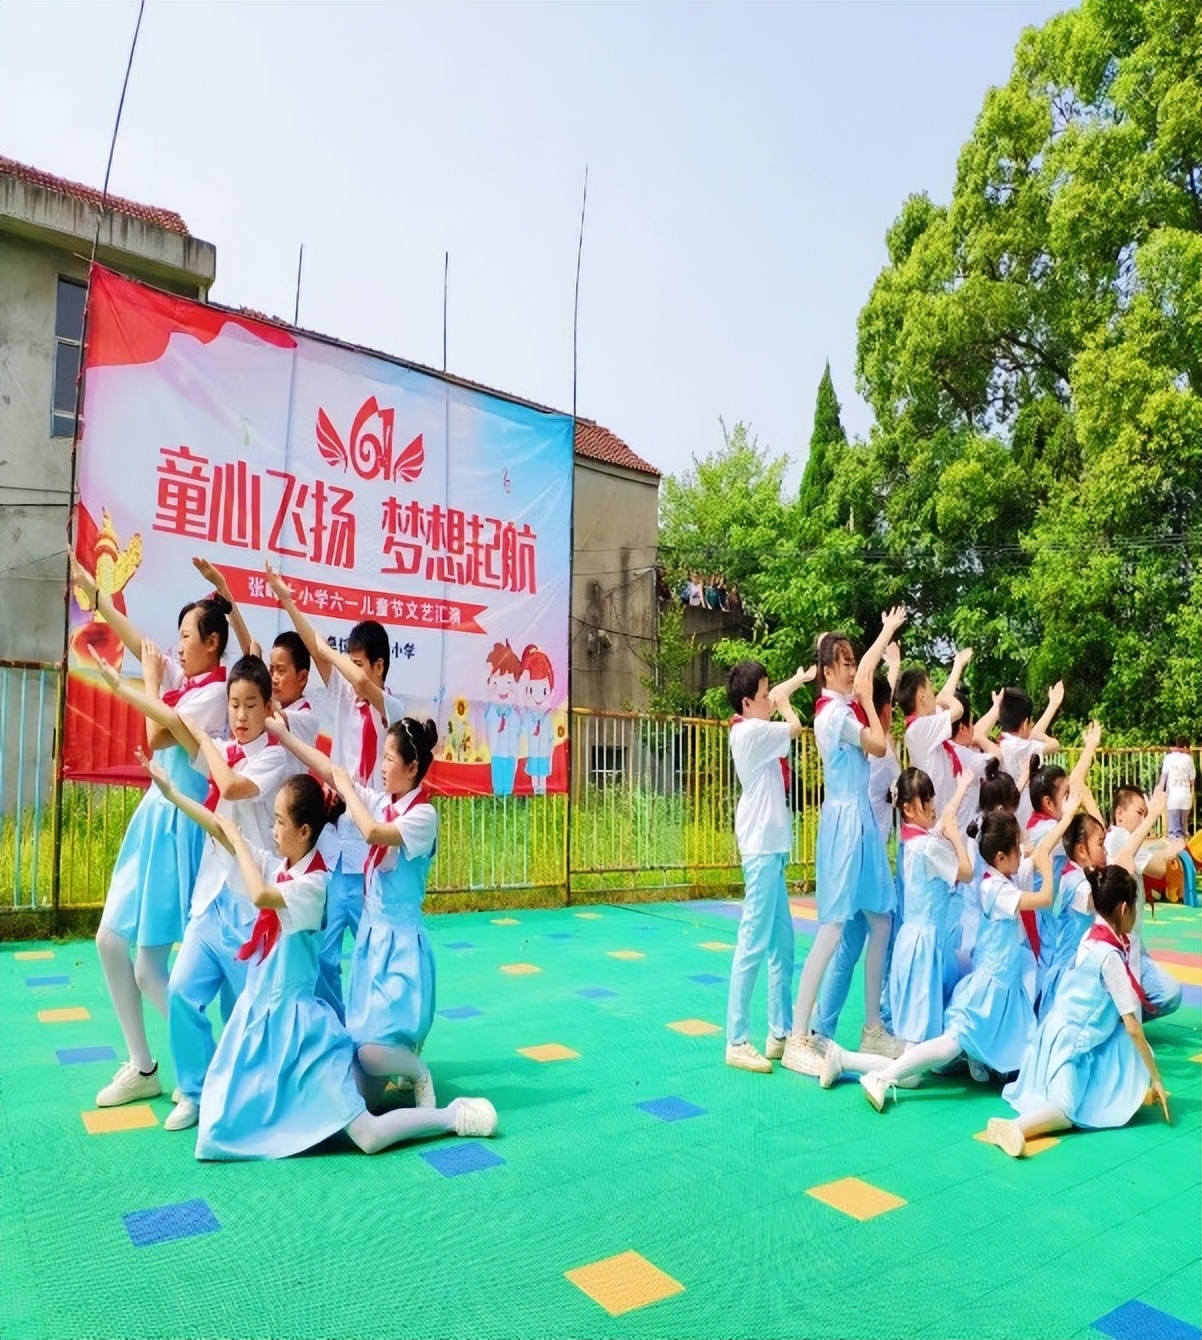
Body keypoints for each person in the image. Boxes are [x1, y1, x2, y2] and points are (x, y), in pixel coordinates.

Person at [185, 774, 496, 1160]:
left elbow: (261, 895)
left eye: (280, 821)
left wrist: (237, 842)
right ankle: (375, 1078)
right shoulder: (278, 866)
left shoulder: (313, 885)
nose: (273, 829)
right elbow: (220, 828)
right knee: (222, 1131)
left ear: (304, 830)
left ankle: (451, 1115)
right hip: (270, 1025)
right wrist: (169, 791)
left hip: (303, 1035)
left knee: (367, 1135)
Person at [73, 555, 241, 1111]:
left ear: (213, 643)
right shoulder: (188, 680)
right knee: (108, 941)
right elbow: (140, 641)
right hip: (154, 815)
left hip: (181, 823)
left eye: (188, 636)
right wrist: (95, 593)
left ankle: (212, 1067)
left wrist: (145, 682)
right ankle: (143, 1065)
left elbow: (155, 733)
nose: (178, 645)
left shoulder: (214, 696)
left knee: (149, 966)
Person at [821, 785, 1082, 1108]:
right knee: (941, 1051)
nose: (1023, 850)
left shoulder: (1004, 876)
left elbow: (1037, 852)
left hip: (1002, 991)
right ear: (1001, 857)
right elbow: (1043, 898)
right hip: (986, 993)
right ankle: (874, 1074)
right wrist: (1045, 867)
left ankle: (853, 1061)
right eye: (1018, 847)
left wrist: (1066, 818)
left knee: (1007, 1055)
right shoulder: (994, 889)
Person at [154, 654, 295, 1131]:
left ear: (267, 706)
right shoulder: (221, 749)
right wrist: (130, 681)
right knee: (180, 991)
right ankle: (195, 1091)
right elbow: (173, 724)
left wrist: (212, 745)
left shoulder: (274, 756)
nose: (239, 715)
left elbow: (231, 787)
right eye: (233, 704)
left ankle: (244, 1090)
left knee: (244, 1013)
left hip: (250, 906)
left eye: (250, 705)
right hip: (211, 899)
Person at [270, 714, 440, 1109]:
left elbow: (373, 834)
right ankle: (401, 1060)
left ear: (412, 768)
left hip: (400, 945)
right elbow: (330, 769)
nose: (382, 768)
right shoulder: (383, 803)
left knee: (368, 1053)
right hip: (373, 940)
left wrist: (348, 788)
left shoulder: (423, 816)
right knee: (363, 1093)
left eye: (390, 759)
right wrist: (282, 734)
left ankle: (417, 1070)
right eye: (381, 758)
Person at [266, 562, 405, 1020]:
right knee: (325, 953)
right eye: (351, 662)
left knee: (370, 953)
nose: (351, 674)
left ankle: (376, 1034)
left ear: (380, 665)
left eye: (360, 662)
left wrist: (334, 653)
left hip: (371, 851)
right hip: (337, 843)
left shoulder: (393, 710)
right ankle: (336, 1030)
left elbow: (358, 678)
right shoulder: (345, 699)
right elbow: (318, 653)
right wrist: (288, 601)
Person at [782, 605, 909, 1078]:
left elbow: (876, 721)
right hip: (843, 822)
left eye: (856, 661)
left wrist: (879, 650)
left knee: (882, 918)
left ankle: (872, 1025)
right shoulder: (832, 716)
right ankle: (799, 1035)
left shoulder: (846, 707)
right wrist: (883, 637)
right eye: (847, 662)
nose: (854, 669)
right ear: (828, 670)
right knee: (833, 928)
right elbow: (878, 745)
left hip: (863, 826)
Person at [988, 862, 1171, 1158]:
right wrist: (1158, 1079)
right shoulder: (1110, 956)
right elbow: (1133, 1027)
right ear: (1124, 909)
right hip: (1070, 1045)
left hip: (1054, 1034)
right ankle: (1016, 1127)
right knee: (1066, 1109)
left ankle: (1122, 1095)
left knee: (1112, 1042)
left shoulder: (1092, 936)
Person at [722, 659, 814, 1072]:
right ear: (747, 702)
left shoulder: (753, 726)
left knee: (783, 947)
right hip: (760, 850)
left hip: (772, 849)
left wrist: (798, 679)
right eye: (763, 696)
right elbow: (793, 725)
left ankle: (779, 1031)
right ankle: (736, 1039)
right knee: (753, 944)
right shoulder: (751, 731)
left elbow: (775, 699)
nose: (770, 700)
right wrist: (791, 702)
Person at [813, 654, 900, 1043]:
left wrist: (887, 668)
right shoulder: (868, 745)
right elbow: (878, 741)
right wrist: (869, 694)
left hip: (866, 853)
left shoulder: (852, 728)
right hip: (863, 853)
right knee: (846, 942)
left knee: (859, 939)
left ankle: (828, 1028)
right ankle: (829, 1028)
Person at [886, 766, 974, 1047]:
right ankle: (853, 1063)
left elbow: (941, 822)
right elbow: (967, 871)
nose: (933, 809)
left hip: (911, 939)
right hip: (927, 943)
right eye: (928, 803)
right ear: (910, 808)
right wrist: (956, 837)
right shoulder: (929, 848)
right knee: (916, 1036)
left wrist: (961, 790)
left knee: (914, 1024)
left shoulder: (908, 842)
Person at [1107, 786, 1184, 1019]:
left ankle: (1121, 1015)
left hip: (1132, 940)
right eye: (1139, 812)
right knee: (1168, 993)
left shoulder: (1123, 838)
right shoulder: (1121, 837)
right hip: (1122, 942)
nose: (1143, 818)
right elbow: (1159, 868)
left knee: (1168, 992)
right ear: (1119, 813)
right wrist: (1170, 851)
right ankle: (1118, 1017)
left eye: (1145, 814)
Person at [997, 683, 1063, 827]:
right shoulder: (1019, 746)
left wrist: (1053, 705)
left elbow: (1030, 736)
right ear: (1024, 724)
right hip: (1021, 820)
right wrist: (1043, 736)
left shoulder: (1007, 742)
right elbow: (1055, 745)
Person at [1160, 739, 1196, 840]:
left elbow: (1163, 778)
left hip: (1172, 798)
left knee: (1174, 831)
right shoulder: (1189, 759)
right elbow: (1192, 780)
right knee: (1184, 829)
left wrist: (1159, 793)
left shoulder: (1168, 758)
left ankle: (1175, 850)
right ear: (1185, 747)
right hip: (1185, 797)